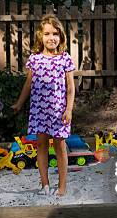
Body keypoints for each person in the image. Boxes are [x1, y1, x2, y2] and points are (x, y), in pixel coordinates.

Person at [11, 15, 76, 197]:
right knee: (41, 145)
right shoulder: (35, 59)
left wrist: (69, 109)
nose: (51, 37)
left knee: (60, 146)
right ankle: (45, 184)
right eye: (47, 33)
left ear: (61, 36)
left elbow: (71, 87)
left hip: (59, 112)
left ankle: (62, 186)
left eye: (55, 33)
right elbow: (28, 84)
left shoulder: (65, 59)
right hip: (39, 111)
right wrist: (19, 103)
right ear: (41, 36)